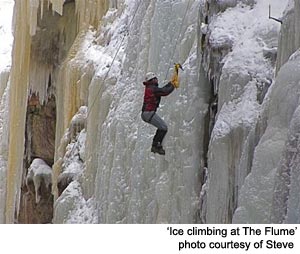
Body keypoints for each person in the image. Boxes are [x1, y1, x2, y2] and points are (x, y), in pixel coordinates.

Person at [141, 71, 178, 155]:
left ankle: (155, 145)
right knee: (163, 127)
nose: (157, 80)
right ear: (153, 79)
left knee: (162, 127)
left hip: (146, 114)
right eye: (155, 79)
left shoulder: (151, 88)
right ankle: (156, 146)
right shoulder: (152, 88)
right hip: (148, 113)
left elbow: (162, 90)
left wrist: (170, 83)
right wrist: (172, 84)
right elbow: (164, 92)